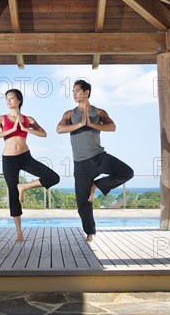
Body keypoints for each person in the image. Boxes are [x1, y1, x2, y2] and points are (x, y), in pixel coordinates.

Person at [57, 80, 134, 243]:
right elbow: (60, 129)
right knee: (82, 202)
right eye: (73, 91)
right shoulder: (69, 114)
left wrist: (92, 124)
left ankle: (97, 185)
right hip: (81, 164)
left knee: (127, 172)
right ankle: (90, 232)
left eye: (78, 91)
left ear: (87, 93)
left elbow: (112, 127)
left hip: (99, 157)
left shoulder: (99, 112)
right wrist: (80, 124)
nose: (75, 94)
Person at [0, 89, 60, 242]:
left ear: (19, 101)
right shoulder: (1, 119)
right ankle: (19, 233)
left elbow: (43, 133)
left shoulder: (28, 119)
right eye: (7, 99)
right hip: (8, 159)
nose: (8, 101)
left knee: (53, 177)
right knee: (13, 195)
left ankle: (24, 187)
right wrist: (11, 130)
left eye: (11, 98)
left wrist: (24, 128)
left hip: (25, 157)